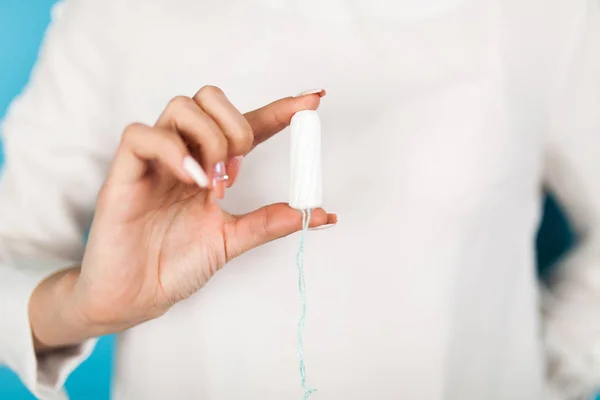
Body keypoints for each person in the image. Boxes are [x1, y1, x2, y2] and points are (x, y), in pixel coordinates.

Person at [0, 0, 599, 399]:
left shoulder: (544, 15)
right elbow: (10, 249)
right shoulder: (116, 14)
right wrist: (84, 307)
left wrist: (535, 380)